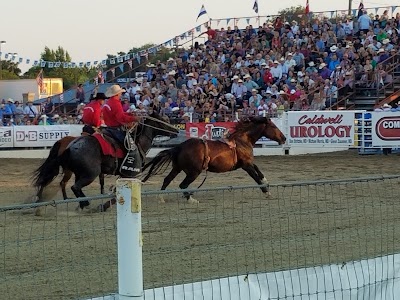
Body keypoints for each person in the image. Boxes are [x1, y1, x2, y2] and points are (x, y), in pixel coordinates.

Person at [102, 85, 141, 176]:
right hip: (115, 129)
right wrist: (134, 118)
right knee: (130, 146)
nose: (121, 94)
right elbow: (120, 117)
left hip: (109, 128)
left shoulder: (108, 102)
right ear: (117, 93)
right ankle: (127, 164)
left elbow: (118, 114)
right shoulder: (116, 103)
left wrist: (129, 114)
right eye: (120, 93)